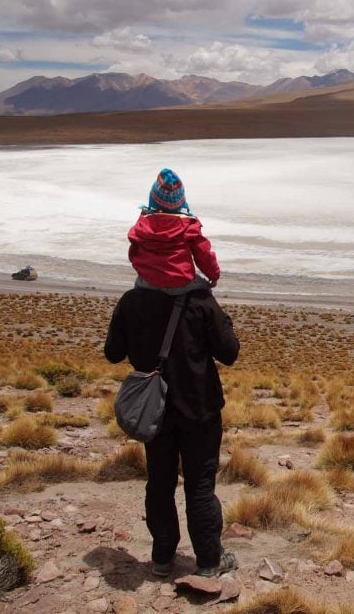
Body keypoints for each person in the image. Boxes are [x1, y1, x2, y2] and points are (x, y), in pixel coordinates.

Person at [105, 172, 240, 579]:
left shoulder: (132, 301)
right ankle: (209, 562)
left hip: (155, 409)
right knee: (200, 485)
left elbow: (113, 353)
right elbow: (229, 353)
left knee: (159, 483)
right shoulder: (201, 302)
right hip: (199, 408)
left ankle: (162, 559)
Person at [129, 168, 220, 295]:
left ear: (153, 198)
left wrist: (145, 268)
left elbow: (133, 252)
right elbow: (203, 254)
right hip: (180, 283)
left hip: (147, 281)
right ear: (181, 200)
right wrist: (213, 275)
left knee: (136, 290)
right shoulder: (188, 225)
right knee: (205, 290)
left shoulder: (143, 223)